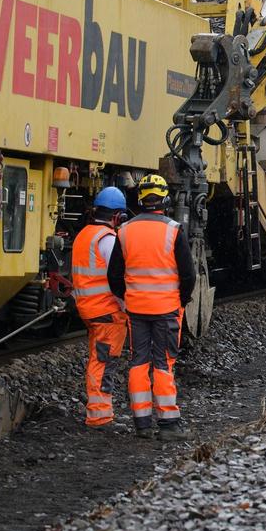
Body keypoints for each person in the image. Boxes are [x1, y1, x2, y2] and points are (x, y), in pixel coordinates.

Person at [108, 174, 195, 441]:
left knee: (137, 361)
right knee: (163, 363)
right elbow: (189, 275)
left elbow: (114, 276)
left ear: (141, 199)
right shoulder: (173, 229)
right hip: (166, 309)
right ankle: (169, 424)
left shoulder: (124, 231)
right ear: (165, 199)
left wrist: (128, 296)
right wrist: (181, 299)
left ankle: (142, 423)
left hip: (136, 310)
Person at [70, 186, 129, 427]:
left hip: (89, 309)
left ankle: (100, 412)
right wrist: (127, 307)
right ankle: (100, 415)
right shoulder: (108, 240)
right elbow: (116, 279)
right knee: (103, 364)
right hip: (107, 313)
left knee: (98, 359)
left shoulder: (84, 235)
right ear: (118, 216)